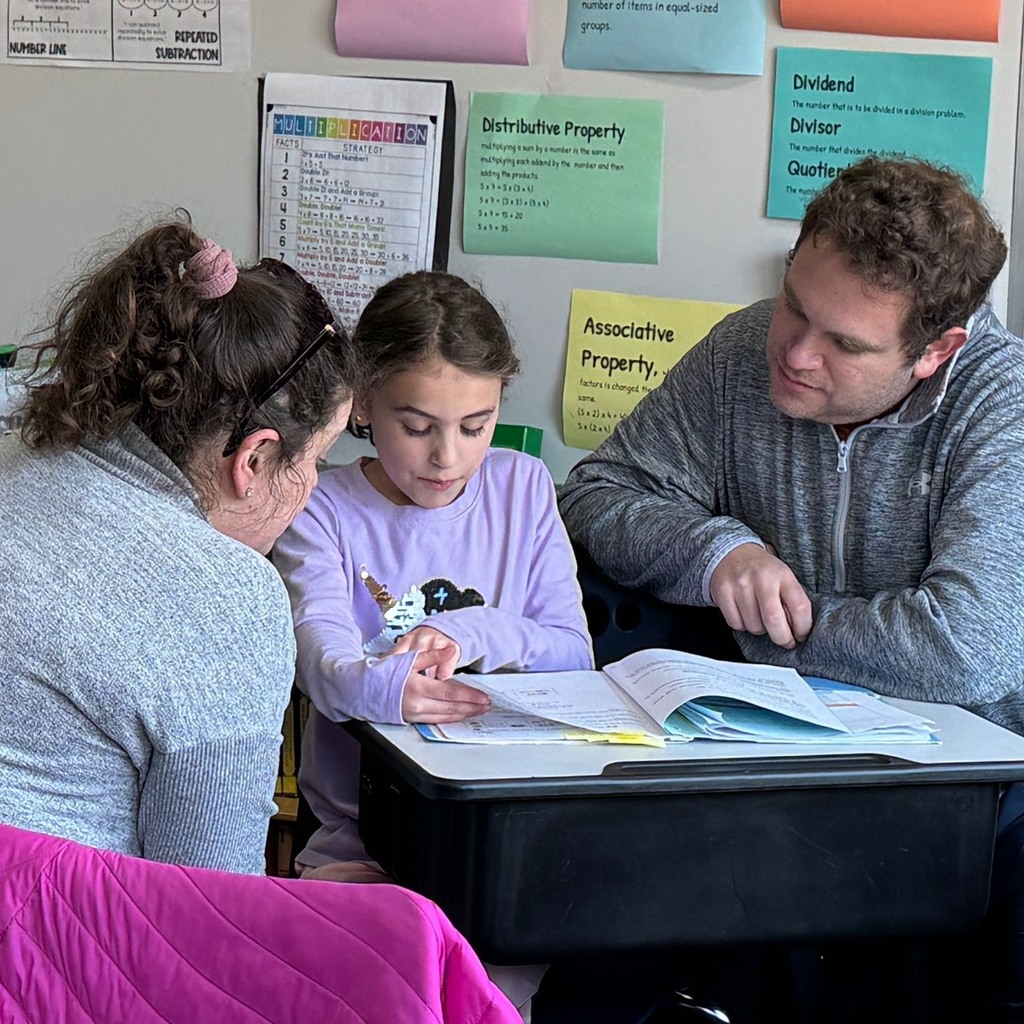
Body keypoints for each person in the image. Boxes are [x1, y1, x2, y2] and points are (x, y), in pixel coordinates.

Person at [558, 156, 1024, 1020]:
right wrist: (715, 551)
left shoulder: (1005, 406)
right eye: (794, 304)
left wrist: (771, 631)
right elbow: (594, 495)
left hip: (973, 791)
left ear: (937, 351)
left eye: (845, 343)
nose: (797, 352)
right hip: (769, 762)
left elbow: (965, 652)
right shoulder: (744, 352)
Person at [0, 220, 356, 877]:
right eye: (320, 460)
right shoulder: (226, 598)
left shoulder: (23, 435)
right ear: (254, 458)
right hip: (39, 958)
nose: (312, 489)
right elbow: (205, 902)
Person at [273, 269, 593, 885]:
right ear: (362, 402)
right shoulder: (321, 506)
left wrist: (469, 633)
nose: (448, 457)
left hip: (504, 827)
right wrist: (386, 688)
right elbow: (321, 662)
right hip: (362, 838)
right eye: (417, 428)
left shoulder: (523, 488)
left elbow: (574, 655)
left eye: (476, 426)